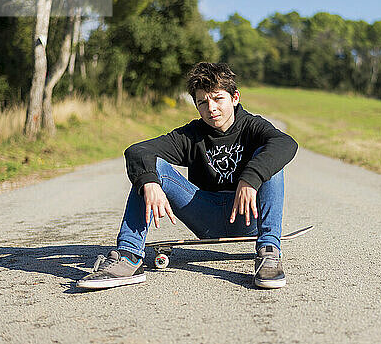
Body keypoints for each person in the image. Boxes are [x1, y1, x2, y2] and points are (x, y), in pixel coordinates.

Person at [77, 62, 298, 290]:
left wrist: (250, 178)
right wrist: (150, 182)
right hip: (204, 216)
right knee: (147, 169)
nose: (211, 108)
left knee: (270, 158)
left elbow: (286, 143)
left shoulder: (252, 126)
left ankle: (269, 252)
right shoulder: (191, 135)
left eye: (218, 99)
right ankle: (129, 258)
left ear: (235, 98)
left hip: (247, 216)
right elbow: (137, 151)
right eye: (203, 102)